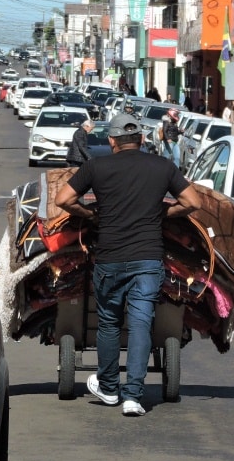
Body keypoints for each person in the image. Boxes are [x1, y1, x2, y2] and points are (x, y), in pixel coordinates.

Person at [54, 113, 201, 417]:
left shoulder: (96, 167)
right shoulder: (163, 166)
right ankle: (133, 396)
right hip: (148, 259)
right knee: (140, 323)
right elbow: (193, 202)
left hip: (110, 259)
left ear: (112, 141)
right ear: (142, 139)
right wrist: (164, 213)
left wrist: (91, 214)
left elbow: (63, 199)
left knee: (109, 323)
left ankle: (109, 388)